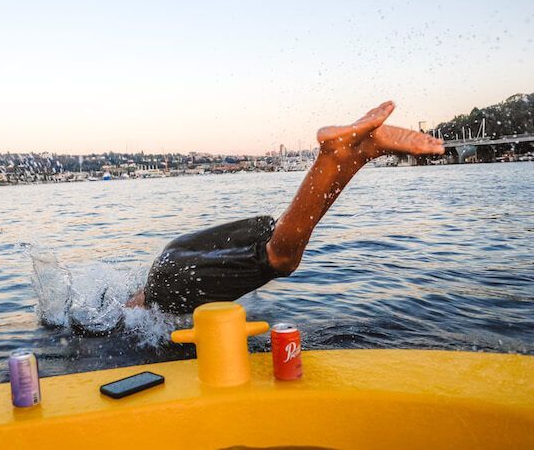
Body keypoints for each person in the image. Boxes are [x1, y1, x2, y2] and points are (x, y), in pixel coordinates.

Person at [126, 101, 445, 314]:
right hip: (173, 255)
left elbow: (130, 320)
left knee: (279, 258)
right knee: (281, 236)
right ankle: (360, 153)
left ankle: (336, 155)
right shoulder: (105, 296)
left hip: (167, 287)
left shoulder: (123, 317)